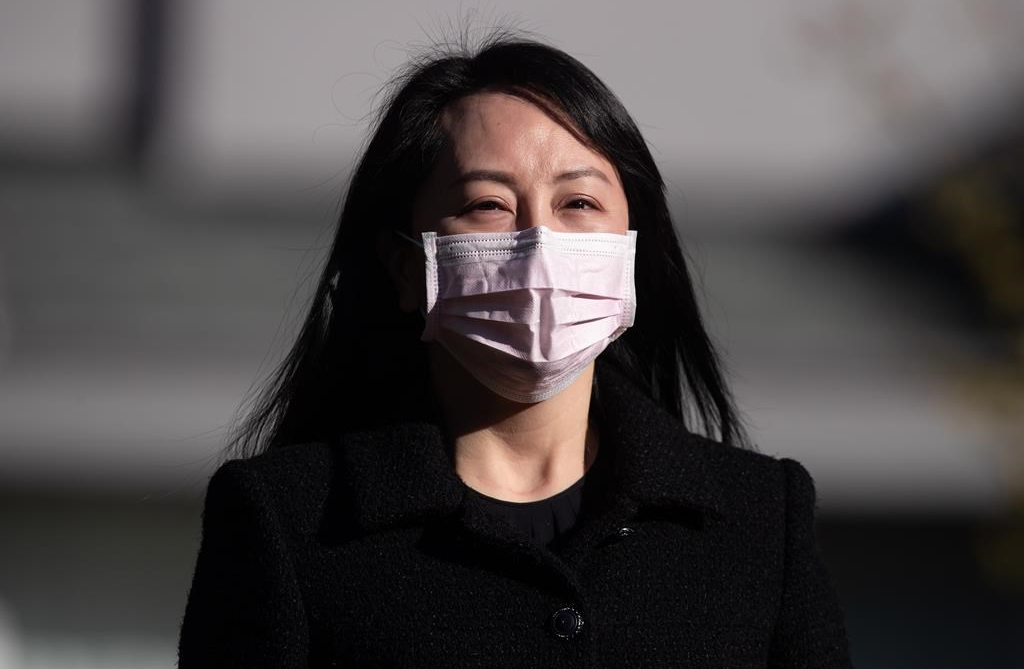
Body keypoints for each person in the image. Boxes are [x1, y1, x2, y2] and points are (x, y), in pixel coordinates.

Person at [177, 33, 853, 668]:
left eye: (579, 202)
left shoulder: (760, 521)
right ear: (405, 266)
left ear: (632, 251)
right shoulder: (289, 522)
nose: (539, 244)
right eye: (488, 205)